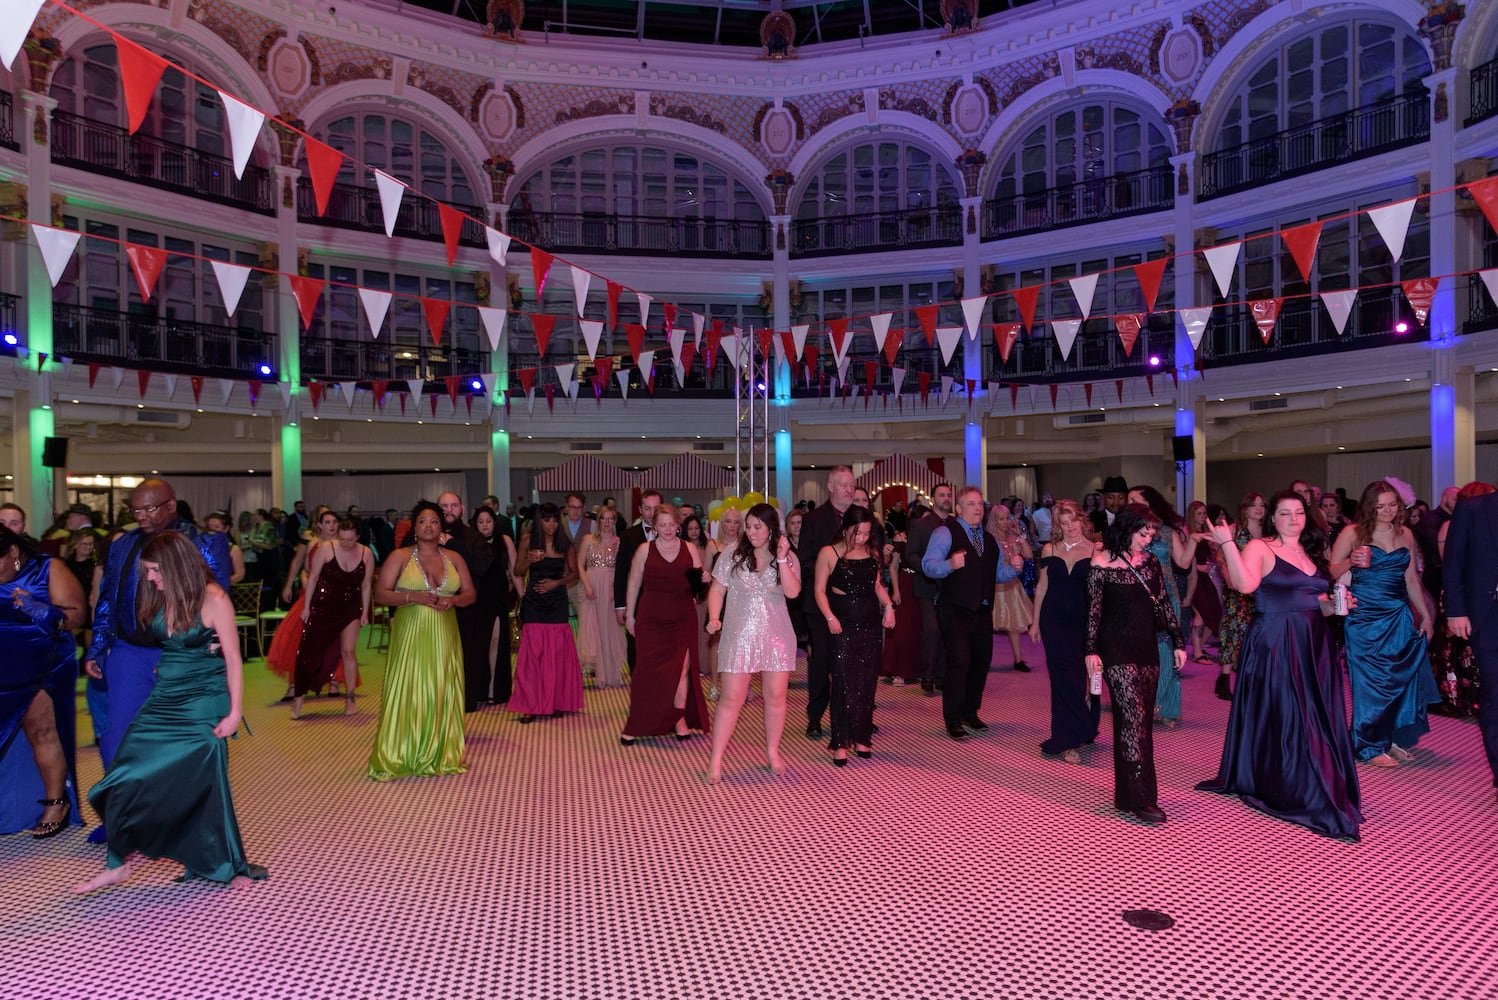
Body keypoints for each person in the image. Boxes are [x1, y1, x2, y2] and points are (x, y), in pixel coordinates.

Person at [74, 530, 266, 892]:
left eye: (154, 571)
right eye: (148, 571)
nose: (149, 578)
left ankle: (226, 864)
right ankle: (118, 862)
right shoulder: (161, 595)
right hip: (165, 698)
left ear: (176, 566)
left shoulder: (214, 599)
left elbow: (233, 660)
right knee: (124, 773)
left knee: (203, 782)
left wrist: (234, 711)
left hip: (202, 700)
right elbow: (170, 642)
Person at [1198, 490, 1362, 840]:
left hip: (1313, 642)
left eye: (1299, 512)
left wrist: (1338, 603)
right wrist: (1227, 543)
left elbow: (1316, 604)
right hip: (1275, 640)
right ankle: (1295, 786)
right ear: (1272, 518)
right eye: (1284, 513)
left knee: (1314, 714)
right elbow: (1245, 585)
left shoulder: (1310, 551)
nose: (1292, 519)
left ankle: (1311, 778)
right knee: (1291, 715)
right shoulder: (1260, 547)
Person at [85, 479, 230, 793]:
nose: (140, 516)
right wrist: (97, 647)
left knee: (184, 738)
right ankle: (121, 816)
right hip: (130, 651)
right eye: (135, 509)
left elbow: (218, 602)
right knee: (118, 735)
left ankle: (180, 819)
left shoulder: (205, 542)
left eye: (149, 508)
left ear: (170, 505)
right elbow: (108, 597)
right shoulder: (123, 544)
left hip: (181, 653)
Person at [1083, 503, 1185, 824]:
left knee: (1140, 721)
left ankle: (1127, 795)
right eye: (1143, 533)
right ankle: (1144, 798)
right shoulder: (1101, 562)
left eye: (1151, 534)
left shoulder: (1151, 562)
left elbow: (1164, 603)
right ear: (1127, 528)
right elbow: (1094, 612)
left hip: (1147, 647)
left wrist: (1179, 642)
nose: (1148, 539)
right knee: (1132, 720)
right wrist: (1091, 651)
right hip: (1115, 648)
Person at [1328, 481, 1436, 767]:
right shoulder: (1352, 533)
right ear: (1369, 507)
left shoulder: (1406, 535)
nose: (1388, 510)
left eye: (1392, 504)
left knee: (1400, 679)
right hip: (1364, 618)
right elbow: (1332, 570)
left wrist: (1424, 615)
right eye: (1381, 506)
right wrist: (1351, 560)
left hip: (1398, 615)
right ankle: (1368, 745)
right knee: (1370, 683)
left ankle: (1392, 738)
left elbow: (1411, 579)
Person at [368, 501, 474, 780]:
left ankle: (441, 753)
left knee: (441, 688)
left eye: (434, 521)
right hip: (411, 633)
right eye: (423, 521)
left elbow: (471, 594)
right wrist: (411, 597)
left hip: (445, 634)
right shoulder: (400, 556)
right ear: (414, 528)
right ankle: (401, 752)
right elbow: (380, 595)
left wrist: (454, 600)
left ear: (442, 528)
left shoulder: (454, 558)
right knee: (411, 688)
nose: (428, 526)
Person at [704, 503, 802, 783]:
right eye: (749, 526)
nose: (751, 531)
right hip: (740, 636)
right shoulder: (732, 554)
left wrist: (782, 560)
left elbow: (793, 592)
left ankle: (772, 752)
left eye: (757, 526)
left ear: (772, 528)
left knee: (776, 697)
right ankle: (716, 759)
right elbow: (717, 589)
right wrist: (713, 617)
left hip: (777, 635)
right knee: (730, 698)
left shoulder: (785, 556)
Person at [0, 526, 87, 837]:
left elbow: (77, 616)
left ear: (12, 552)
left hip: (43, 663)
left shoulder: (48, 568)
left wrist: (42, 611)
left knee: (42, 731)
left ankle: (56, 803)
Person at [922, 487, 1023, 741]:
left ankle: (970, 712)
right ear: (958, 508)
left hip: (982, 611)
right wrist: (949, 564)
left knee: (980, 663)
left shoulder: (990, 540)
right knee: (960, 662)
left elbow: (997, 575)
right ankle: (953, 718)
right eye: (970, 504)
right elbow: (928, 565)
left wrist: (1015, 570)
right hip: (954, 608)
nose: (977, 509)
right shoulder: (945, 532)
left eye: (980, 504)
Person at [622, 504, 711, 744]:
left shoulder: (690, 548)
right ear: (654, 526)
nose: (668, 529)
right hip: (651, 619)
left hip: (683, 616)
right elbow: (633, 584)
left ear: (678, 525)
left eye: (672, 524)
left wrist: (705, 578)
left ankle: (678, 718)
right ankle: (637, 723)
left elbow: (698, 585)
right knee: (645, 672)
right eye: (662, 525)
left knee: (681, 670)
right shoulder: (644, 550)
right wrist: (630, 615)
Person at [814, 506, 896, 767]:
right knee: (841, 681)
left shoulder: (871, 551)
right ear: (846, 527)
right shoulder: (829, 552)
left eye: (866, 533)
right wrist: (830, 617)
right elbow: (818, 591)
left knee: (866, 682)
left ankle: (862, 737)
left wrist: (889, 606)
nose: (861, 538)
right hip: (843, 622)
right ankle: (840, 742)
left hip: (870, 622)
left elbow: (876, 585)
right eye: (857, 532)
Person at [1028, 500, 1099, 764]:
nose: (1070, 527)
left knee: (1079, 677)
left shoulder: (1095, 551)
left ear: (1082, 520)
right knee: (1060, 678)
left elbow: (1099, 593)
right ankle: (1067, 738)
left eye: (1073, 521)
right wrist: (1035, 622)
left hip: (1082, 621)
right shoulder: (1050, 549)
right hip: (1053, 620)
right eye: (1063, 523)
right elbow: (1042, 587)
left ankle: (1082, 727)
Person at [1443, 482, 1498, 791]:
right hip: (1488, 616)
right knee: (1496, 692)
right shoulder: (1475, 509)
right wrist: (1456, 611)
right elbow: (1453, 565)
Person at [292, 517, 374, 719]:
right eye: (342, 539)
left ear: (358, 537)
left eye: (350, 540)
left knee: (348, 652)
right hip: (323, 606)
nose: (346, 543)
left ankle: (350, 698)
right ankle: (299, 698)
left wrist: (364, 612)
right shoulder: (326, 548)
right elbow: (312, 578)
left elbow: (366, 585)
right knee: (309, 653)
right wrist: (306, 607)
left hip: (351, 607)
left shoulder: (366, 553)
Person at [510, 503, 584, 723]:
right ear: (540, 521)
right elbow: (517, 571)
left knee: (557, 655)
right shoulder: (528, 541)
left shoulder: (565, 545)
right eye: (546, 520)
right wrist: (528, 560)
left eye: (554, 520)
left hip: (557, 602)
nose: (551, 525)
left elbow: (575, 575)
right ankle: (530, 705)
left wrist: (556, 583)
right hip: (534, 603)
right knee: (532, 656)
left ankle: (556, 701)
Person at [1128, 485, 1193, 728]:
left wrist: (1194, 540)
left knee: (1168, 651)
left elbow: (1184, 562)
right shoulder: (1129, 532)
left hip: (1167, 598)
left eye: (1135, 499)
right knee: (1142, 651)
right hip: (1137, 597)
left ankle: (1166, 707)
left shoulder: (1167, 532)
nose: (1130, 503)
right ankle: (1140, 701)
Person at [799, 467, 856, 739]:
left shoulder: (860, 518)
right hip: (819, 606)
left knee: (852, 663)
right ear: (830, 486)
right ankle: (815, 717)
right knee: (821, 662)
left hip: (853, 605)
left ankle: (853, 716)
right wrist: (832, 570)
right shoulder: (813, 520)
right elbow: (804, 562)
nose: (849, 490)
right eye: (843, 485)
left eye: (851, 485)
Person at [267, 507, 340, 701]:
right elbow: (300, 564)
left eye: (333, 521)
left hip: (332, 597)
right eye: (326, 521)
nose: (331, 525)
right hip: (309, 595)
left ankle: (333, 678)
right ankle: (294, 683)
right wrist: (292, 583)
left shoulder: (343, 544)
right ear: (318, 522)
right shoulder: (309, 541)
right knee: (296, 637)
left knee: (333, 639)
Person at [434, 493, 496, 714]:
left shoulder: (473, 537)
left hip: (466, 608)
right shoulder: (425, 534)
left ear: (461, 508)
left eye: (453, 506)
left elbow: (481, 567)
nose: (448, 510)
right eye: (443, 506)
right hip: (431, 608)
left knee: (467, 657)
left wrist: (453, 545)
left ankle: (465, 701)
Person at [906, 483, 955, 697]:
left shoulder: (955, 525)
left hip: (951, 587)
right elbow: (911, 554)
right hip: (927, 584)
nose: (946, 498)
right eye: (941, 495)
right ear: (933, 499)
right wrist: (929, 570)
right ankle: (928, 675)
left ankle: (943, 677)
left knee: (948, 630)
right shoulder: (921, 525)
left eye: (948, 495)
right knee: (932, 630)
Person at [1215, 492, 1265, 700]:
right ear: (1245, 508)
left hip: (1261, 588)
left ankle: (1250, 676)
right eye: (1254, 505)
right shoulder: (1235, 531)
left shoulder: (1268, 532)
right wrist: (1229, 577)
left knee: (1256, 632)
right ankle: (1225, 677)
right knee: (1235, 628)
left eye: (1262, 505)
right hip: (1237, 588)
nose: (1259, 508)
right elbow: (1221, 556)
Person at [577, 507, 628, 688]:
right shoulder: (588, 540)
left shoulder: (619, 542)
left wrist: (616, 590)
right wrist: (587, 585)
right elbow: (579, 565)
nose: (607, 522)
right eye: (603, 519)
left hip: (610, 589)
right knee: (592, 629)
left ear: (615, 521)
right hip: (591, 588)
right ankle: (597, 671)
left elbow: (623, 570)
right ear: (598, 521)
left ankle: (610, 673)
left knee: (609, 630)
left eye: (610, 519)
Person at [471, 507, 516, 704]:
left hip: (498, 599)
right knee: (480, 645)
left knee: (496, 642)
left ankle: (494, 690)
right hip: (477, 600)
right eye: (481, 522)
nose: (485, 525)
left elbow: (514, 571)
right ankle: (479, 689)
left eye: (488, 521)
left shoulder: (504, 541)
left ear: (494, 522)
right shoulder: (471, 543)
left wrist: (523, 595)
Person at [614, 490, 663, 671]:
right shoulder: (628, 535)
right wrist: (620, 605)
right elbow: (620, 573)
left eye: (655, 508)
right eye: (647, 508)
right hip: (637, 601)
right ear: (640, 509)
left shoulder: (671, 533)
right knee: (635, 646)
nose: (651, 513)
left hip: (663, 601)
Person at [985, 502, 1033, 672]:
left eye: (1007, 518)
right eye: (1001, 519)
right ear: (994, 521)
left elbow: (1028, 555)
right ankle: (984, 661)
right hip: (995, 586)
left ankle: (1018, 660)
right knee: (986, 625)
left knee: (1014, 624)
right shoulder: (989, 539)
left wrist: (1020, 535)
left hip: (1012, 587)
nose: (1005, 522)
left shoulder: (1013, 538)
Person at [203, 511, 246, 585]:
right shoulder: (204, 546)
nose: (212, 531)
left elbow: (240, 575)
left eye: (216, 527)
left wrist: (218, 583)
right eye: (209, 527)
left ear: (226, 528)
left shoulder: (233, 549)